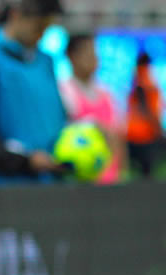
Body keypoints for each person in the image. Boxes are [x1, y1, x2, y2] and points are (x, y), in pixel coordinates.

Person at [0, 0, 67, 185]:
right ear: (16, 15)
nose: (41, 35)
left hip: (48, 184)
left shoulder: (46, 62)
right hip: (4, 188)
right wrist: (24, 161)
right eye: (38, 26)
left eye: (46, 28)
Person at [59, 33, 127, 184]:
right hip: (79, 180)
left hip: (109, 178)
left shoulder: (107, 94)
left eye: (95, 53)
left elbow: (118, 137)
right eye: (87, 53)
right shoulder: (63, 91)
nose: (94, 59)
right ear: (71, 56)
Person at [125, 51, 163, 179]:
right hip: (145, 134)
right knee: (147, 175)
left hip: (132, 133)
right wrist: (158, 130)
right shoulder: (145, 78)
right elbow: (147, 108)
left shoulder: (135, 78)